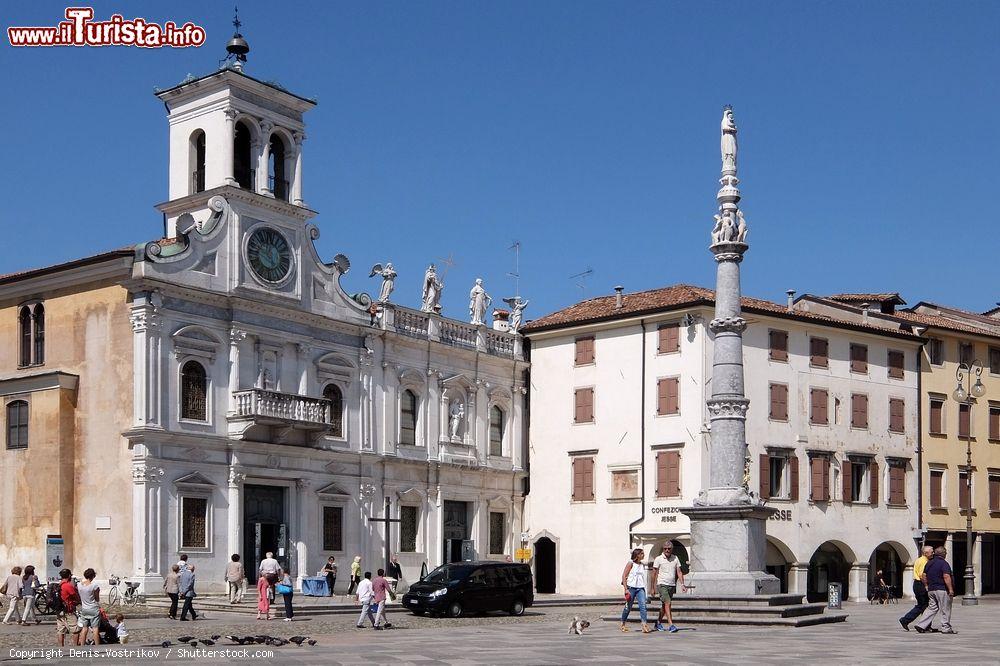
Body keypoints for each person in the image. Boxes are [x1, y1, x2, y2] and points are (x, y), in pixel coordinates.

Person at [913, 546, 956, 634]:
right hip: (942, 589)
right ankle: (946, 627)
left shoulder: (929, 563)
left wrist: (926, 586)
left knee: (932, 608)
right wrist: (950, 589)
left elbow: (923, 575)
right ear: (943, 554)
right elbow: (946, 576)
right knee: (945, 608)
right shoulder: (944, 563)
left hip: (931, 589)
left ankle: (921, 625)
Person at [651, 542, 687, 632]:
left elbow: (679, 571)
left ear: (672, 549)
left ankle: (658, 623)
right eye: (665, 548)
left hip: (671, 585)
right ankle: (671, 625)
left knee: (664, 605)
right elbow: (654, 573)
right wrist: (652, 587)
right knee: (668, 603)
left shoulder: (675, 558)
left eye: (669, 548)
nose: (667, 550)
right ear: (663, 549)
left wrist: (682, 584)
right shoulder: (658, 559)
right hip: (662, 584)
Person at [900, 546, 934, 631]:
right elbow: (922, 575)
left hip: (917, 584)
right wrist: (926, 586)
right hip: (921, 584)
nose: (933, 553)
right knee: (923, 606)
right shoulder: (924, 561)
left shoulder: (920, 560)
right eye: (931, 552)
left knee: (924, 606)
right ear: (926, 553)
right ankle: (905, 620)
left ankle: (926, 625)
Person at [620, 548, 651, 634]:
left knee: (643, 606)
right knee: (628, 607)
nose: (643, 555)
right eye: (641, 554)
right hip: (631, 588)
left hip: (640, 588)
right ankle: (623, 623)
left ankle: (644, 625)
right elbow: (624, 576)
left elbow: (643, 578)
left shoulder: (642, 565)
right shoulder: (630, 563)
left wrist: (645, 589)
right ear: (637, 555)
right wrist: (626, 589)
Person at [55, 568, 82, 646]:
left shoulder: (59, 585)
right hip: (68, 610)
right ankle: (75, 647)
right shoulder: (67, 586)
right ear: (69, 575)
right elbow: (75, 596)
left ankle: (61, 647)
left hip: (59, 610)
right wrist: (78, 602)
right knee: (75, 629)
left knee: (61, 630)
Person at [76, 568, 101, 645]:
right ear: (93, 576)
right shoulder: (94, 586)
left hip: (84, 608)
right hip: (93, 608)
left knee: (84, 628)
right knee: (95, 628)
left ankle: (82, 645)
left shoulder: (79, 585)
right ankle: (97, 646)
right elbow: (97, 599)